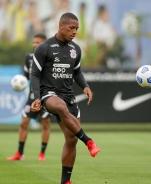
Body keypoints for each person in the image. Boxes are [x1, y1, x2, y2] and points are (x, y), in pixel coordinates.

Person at [30, 13, 100, 184]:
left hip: (68, 95)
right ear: (61, 26)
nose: (75, 31)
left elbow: (77, 72)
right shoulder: (44, 48)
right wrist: (38, 97)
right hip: (49, 94)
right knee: (60, 107)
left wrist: (85, 86)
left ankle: (65, 181)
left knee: (71, 139)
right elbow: (35, 74)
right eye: (71, 28)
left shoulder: (75, 49)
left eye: (76, 29)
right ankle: (89, 141)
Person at [7, 33, 51, 161]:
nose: (35, 44)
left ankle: (42, 153)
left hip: (47, 96)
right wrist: (18, 83)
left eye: (38, 42)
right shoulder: (29, 57)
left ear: (44, 43)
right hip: (32, 96)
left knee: (46, 125)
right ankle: (19, 153)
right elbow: (25, 76)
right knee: (23, 123)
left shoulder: (50, 57)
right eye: (34, 42)